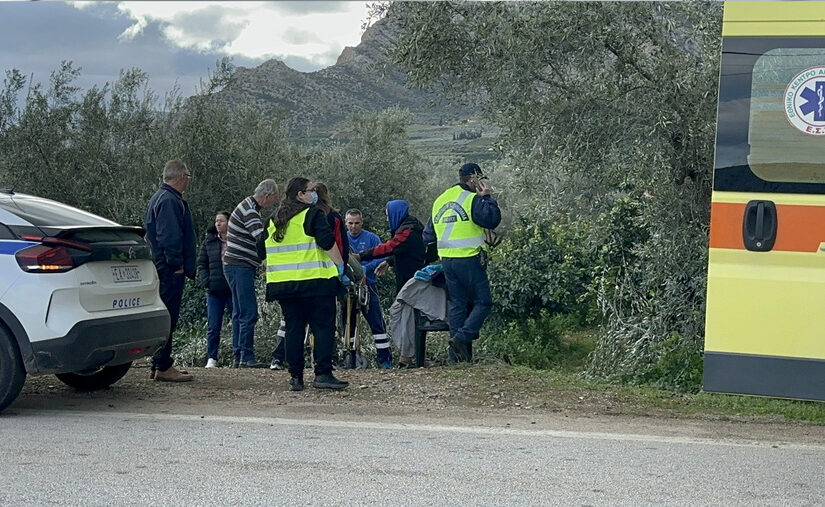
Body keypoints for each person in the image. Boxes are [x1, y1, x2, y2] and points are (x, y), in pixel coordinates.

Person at [265, 176, 349, 391]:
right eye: (311, 190)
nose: (315, 193)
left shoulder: (274, 219)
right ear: (300, 194)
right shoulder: (312, 214)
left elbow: (261, 250)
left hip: (284, 285)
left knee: (293, 328)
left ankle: (295, 377)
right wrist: (340, 267)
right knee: (322, 327)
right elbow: (327, 241)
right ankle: (322, 374)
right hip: (315, 283)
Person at [425, 162, 501, 363]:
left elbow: (428, 235)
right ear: (473, 179)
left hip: (447, 260)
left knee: (457, 305)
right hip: (468, 258)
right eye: (480, 179)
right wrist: (487, 197)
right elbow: (492, 220)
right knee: (483, 301)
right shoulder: (472, 199)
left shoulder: (440, 200)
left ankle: (457, 359)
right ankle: (461, 338)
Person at [144, 159, 196, 382]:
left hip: (162, 267)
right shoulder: (169, 201)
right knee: (168, 317)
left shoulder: (161, 197)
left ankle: (160, 363)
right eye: (188, 177)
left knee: (165, 317)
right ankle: (163, 365)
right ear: (182, 176)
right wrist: (177, 265)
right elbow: (169, 236)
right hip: (168, 270)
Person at [223, 179, 279, 368]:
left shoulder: (247, 206)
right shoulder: (250, 211)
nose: (272, 204)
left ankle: (238, 354)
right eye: (273, 200)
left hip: (235, 265)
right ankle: (246, 356)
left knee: (239, 312)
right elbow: (261, 239)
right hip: (240, 265)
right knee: (248, 311)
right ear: (267, 196)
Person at [345, 209, 392, 368]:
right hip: (348, 288)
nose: (353, 227)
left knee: (376, 322)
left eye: (357, 223)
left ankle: (385, 360)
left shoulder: (372, 238)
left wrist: (364, 269)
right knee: (348, 324)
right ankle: (350, 360)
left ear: (362, 222)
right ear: (346, 223)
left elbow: (382, 256)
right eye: (350, 223)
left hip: (368, 286)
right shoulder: (342, 239)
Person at [354, 200, 426, 295]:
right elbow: (402, 249)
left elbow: (390, 247)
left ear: (396, 214)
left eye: (388, 216)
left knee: (402, 307)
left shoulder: (407, 231)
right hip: (408, 278)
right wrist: (389, 261)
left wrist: (361, 256)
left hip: (410, 279)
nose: (387, 220)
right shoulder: (409, 226)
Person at [197, 211, 238, 368]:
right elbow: (201, 263)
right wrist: (206, 281)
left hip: (233, 290)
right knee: (213, 326)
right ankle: (212, 357)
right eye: (216, 221)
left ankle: (237, 355)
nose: (218, 224)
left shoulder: (235, 240)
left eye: (221, 221)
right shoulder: (209, 242)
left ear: (229, 222)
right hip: (214, 291)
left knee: (237, 323)